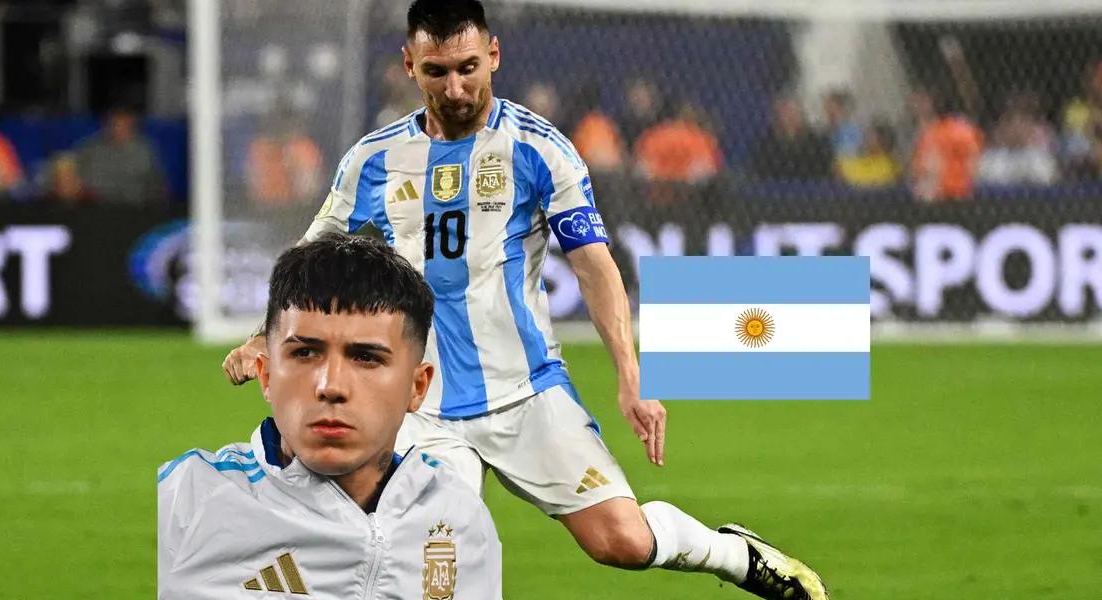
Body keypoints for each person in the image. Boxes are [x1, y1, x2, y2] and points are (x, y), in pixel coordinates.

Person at [223, 2, 827, 598]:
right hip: (420, 405)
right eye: (437, 72)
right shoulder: (373, 160)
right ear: (410, 65)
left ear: (494, 55)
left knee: (621, 542)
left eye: (467, 68)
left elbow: (594, 267)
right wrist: (261, 335)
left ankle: (736, 554)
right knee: (437, 562)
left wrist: (630, 375)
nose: (455, 87)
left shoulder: (540, 150)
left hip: (526, 390)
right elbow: (310, 258)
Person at [160, 234, 502, 599]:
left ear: (417, 388)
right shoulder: (186, 500)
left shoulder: (459, 520)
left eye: (366, 357)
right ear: (267, 375)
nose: (331, 385)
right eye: (306, 353)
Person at [74, 106, 167, 204]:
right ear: (107, 125)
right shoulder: (89, 148)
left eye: (126, 125)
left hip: (135, 207)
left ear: (134, 127)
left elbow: (158, 184)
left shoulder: (146, 149)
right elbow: (77, 180)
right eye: (116, 124)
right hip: (96, 206)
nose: (120, 128)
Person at [749, 94, 832, 181]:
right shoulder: (764, 145)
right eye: (785, 113)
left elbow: (823, 173)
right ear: (776, 117)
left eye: (794, 112)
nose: (790, 117)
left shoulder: (818, 144)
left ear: (801, 115)